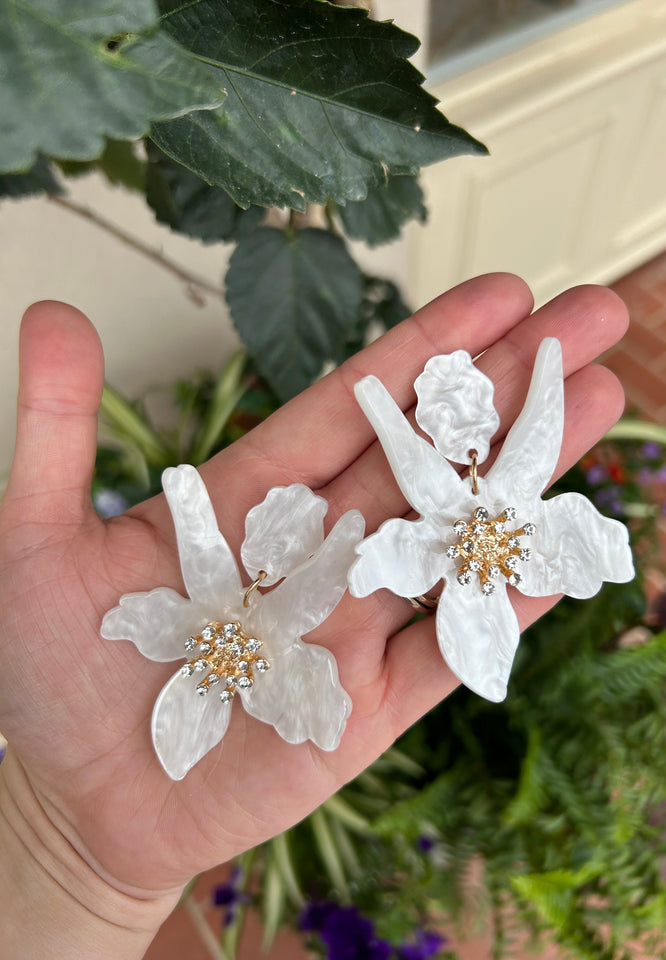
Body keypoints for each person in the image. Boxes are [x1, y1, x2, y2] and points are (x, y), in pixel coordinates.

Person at [0, 274, 628, 958]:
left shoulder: (486, 527)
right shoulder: (258, 607)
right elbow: (243, 546)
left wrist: (69, 873)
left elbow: (516, 437)